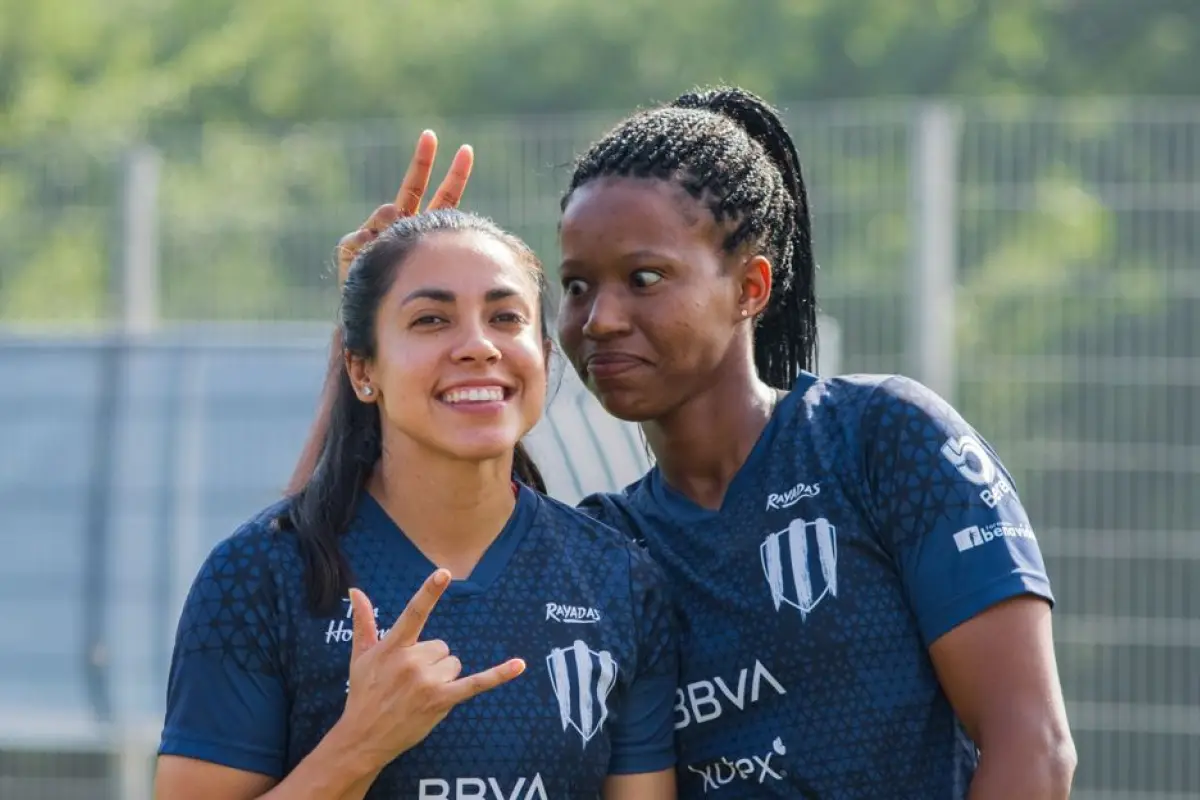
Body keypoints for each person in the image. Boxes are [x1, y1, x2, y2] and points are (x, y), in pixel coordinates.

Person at [296, 89, 1076, 799]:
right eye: (575, 286)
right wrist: (366, 336)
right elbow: (314, 575)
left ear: (751, 288)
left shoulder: (880, 441)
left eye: (644, 278)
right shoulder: (603, 551)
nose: (598, 318)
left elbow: (1032, 748)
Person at [155, 210, 679, 799]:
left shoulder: (618, 581)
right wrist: (362, 743)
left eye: (506, 318)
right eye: (431, 319)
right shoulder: (259, 575)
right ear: (361, 370)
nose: (479, 346)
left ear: (546, 356)